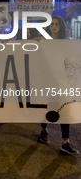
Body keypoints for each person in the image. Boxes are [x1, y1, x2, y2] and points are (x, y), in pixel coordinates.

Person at [35, 15, 79, 155]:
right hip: (47, 80)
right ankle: (44, 130)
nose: (54, 26)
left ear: (61, 27)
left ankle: (65, 142)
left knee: (64, 108)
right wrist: (36, 43)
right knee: (46, 106)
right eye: (52, 24)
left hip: (61, 81)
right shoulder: (43, 42)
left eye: (57, 24)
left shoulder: (66, 43)